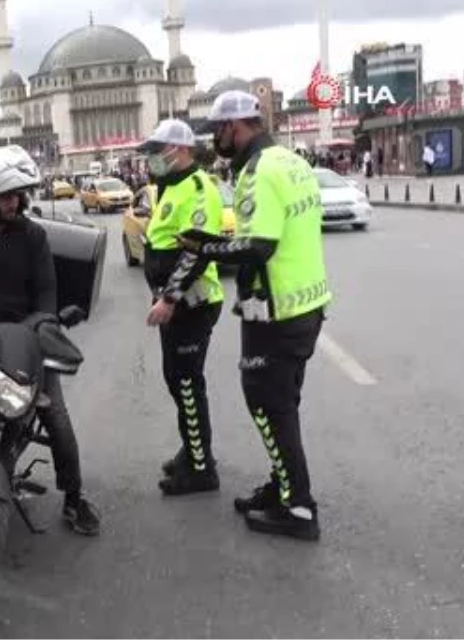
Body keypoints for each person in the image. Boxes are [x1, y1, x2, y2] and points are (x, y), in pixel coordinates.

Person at [182, 90, 331, 541]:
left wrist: (203, 244)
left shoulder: (257, 172)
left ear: (236, 126)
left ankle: (298, 507)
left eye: (218, 131)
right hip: (306, 302)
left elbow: (259, 246)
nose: (216, 140)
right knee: (283, 402)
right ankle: (283, 484)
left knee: (267, 402)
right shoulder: (291, 160)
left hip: (276, 311)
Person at [0, 145, 102, 537]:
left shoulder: (34, 237)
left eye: (16, 195)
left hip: (28, 339)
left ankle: (74, 497)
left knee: (56, 417)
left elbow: (48, 295)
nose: (15, 202)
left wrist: (39, 329)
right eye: (6, 196)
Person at [136, 119, 226, 496]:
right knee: (176, 381)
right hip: (174, 303)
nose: (153, 158)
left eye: (160, 151)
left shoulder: (200, 187)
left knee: (188, 384)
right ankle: (194, 449)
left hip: (191, 304)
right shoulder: (168, 187)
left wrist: (170, 298)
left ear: (182, 149)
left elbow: (197, 251)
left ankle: (201, 469)